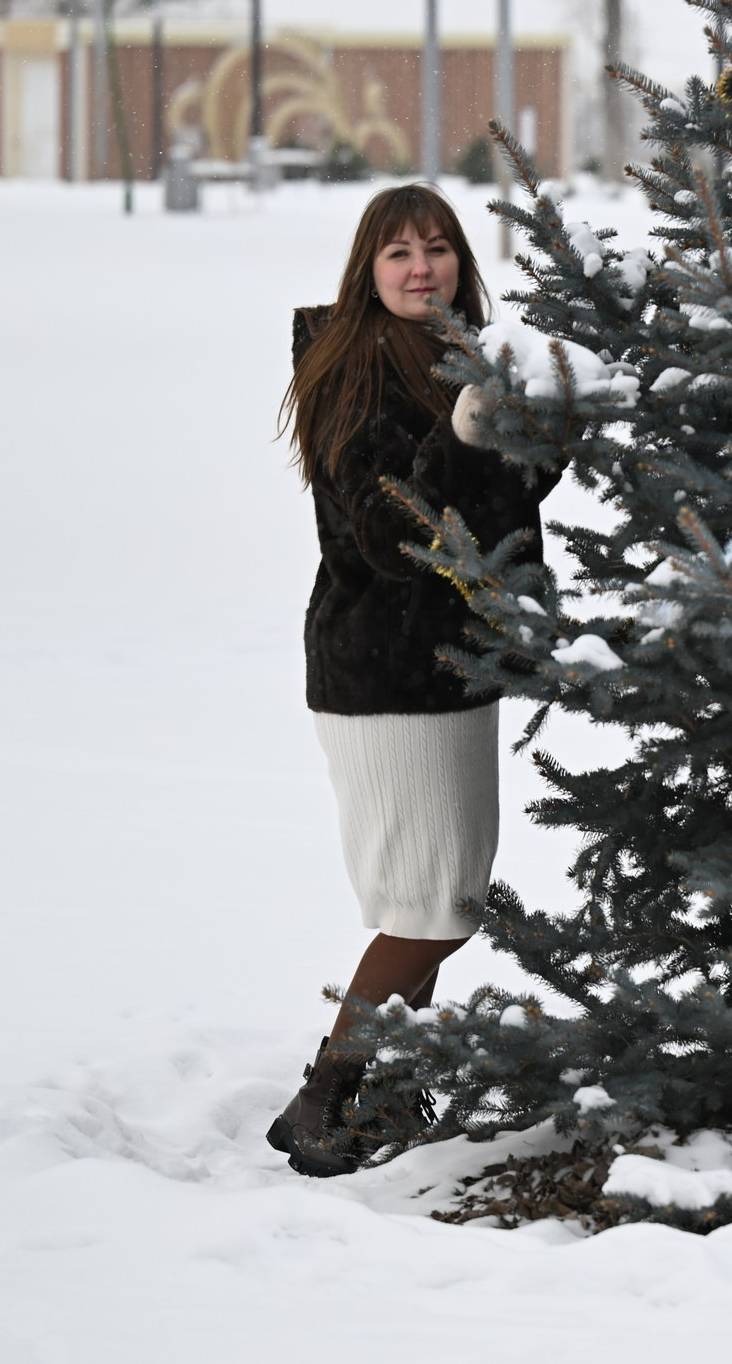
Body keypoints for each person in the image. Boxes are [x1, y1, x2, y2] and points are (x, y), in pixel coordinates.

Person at [266, 184, 559, 1177]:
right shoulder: (348, 372)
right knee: (431, 905)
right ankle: (328, 1099)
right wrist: (470, 434)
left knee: (439, 893)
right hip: (384, 672)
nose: (420, 267)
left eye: (436, 248)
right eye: (397, 253)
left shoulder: (465, 356)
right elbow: (398, 532)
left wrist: (519, 427)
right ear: (367, 271)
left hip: (450, 668)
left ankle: (387, 1089)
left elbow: (505, 507)